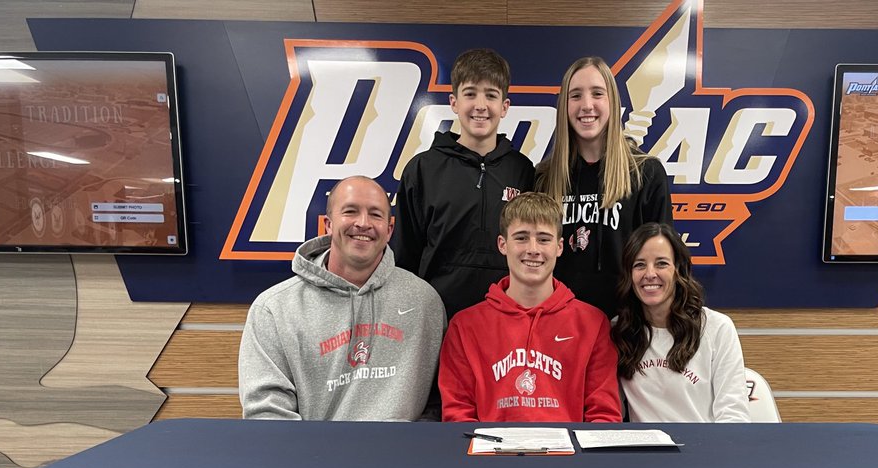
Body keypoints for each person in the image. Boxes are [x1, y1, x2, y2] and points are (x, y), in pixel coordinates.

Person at [239, 176, 446, 421]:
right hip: (314, 457)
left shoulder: (424, 302)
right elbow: (267, 414)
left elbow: (439, 403)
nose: (363, 223)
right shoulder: (273, 309)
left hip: (401, 455)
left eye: (376, 214)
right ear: (328, 224)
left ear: (389, 230)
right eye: (350, 211)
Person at [439, 192, 621, 423]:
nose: (533, 249)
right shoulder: (465, 326)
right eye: (521, 238)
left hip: (568, 458)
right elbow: (458, 417)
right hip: (490, 457)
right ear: (502, 244)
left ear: (560, 246)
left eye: (544, 239)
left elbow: (603, 417)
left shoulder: (593, 324)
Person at [392, 48, 535, 320]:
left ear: (504, 107)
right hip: (436, 318)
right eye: (470, 93)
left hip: (507, 318)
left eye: (491, 95)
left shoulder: (523, 170)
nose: (480, 105)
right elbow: (404, 258)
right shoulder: (422, 169)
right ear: (454, 102)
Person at [536, 56, 673, 317]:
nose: (587, 105)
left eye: (597, 93)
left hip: (626, 326)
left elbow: (662, 262)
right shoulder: (545, 177)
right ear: (564, 105)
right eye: (575, 96)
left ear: (612, 101)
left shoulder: (646, 172)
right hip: (560, 324)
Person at [612, 222, 750, 423]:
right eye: (639, 264)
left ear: (679, 270)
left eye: (661, 263)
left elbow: (734, 416)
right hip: (644, 452)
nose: (650, 274)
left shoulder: (717, 328)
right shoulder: (618, 330)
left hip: (705, 451)